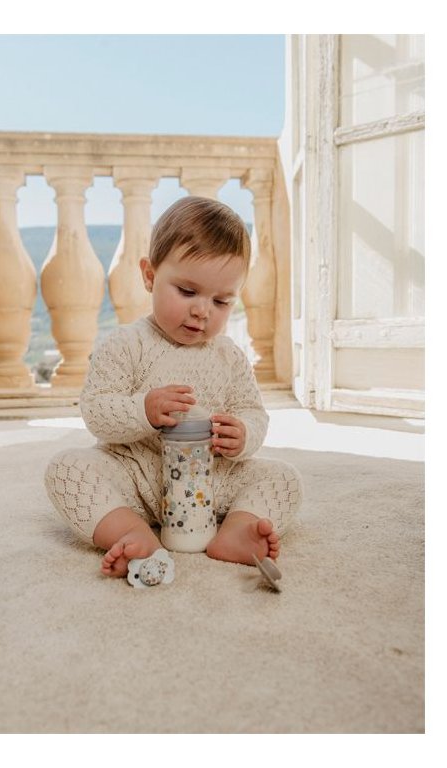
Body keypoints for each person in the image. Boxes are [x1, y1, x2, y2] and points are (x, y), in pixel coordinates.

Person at [43, 196, 302, 577]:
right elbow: (96, 410)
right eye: (187, 292)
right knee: (67, 469)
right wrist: (143, 410)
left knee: (283, 477)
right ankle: (129, 531)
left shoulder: (229, 356)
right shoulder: (126, 344)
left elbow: (252, 411)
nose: (202, 311)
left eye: (222, 301)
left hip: (207, 483)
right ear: (149, 275)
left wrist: (243, 434)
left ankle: (235, 531)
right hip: (133, 476)